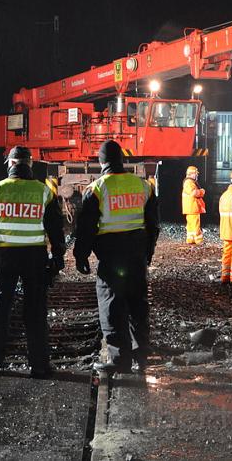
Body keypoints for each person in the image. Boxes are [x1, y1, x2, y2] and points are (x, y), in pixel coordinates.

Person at [0, 146, 65, 378]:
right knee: (35, 311)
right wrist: (57, 257)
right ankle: (39, 366)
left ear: (10, 164)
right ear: (30, 164)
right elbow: (56, 229)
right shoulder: (44, 192)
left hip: (3, 258)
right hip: (34, 257)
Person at [74, 140, 159, 374]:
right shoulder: (143, 187)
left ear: (102, 162)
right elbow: (153, 224)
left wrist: (80, 256)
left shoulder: (97, 189)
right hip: (136, 255)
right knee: (138, 306)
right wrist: (148, 252)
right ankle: (141, 357)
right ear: (122, 160)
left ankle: (120, 360)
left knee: (112, 305)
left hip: (111, 258)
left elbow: (86, 229)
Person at [181, 165, 206, 245]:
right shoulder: (189, 182)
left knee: (191, 224)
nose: (197, 175)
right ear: (191, 174)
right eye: (196, 173)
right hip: (193, 207)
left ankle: (190, 239)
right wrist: (202, 191)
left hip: (190, 207)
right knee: (195, 224)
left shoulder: (188, 182)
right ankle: (198, 240)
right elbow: (194, 193)